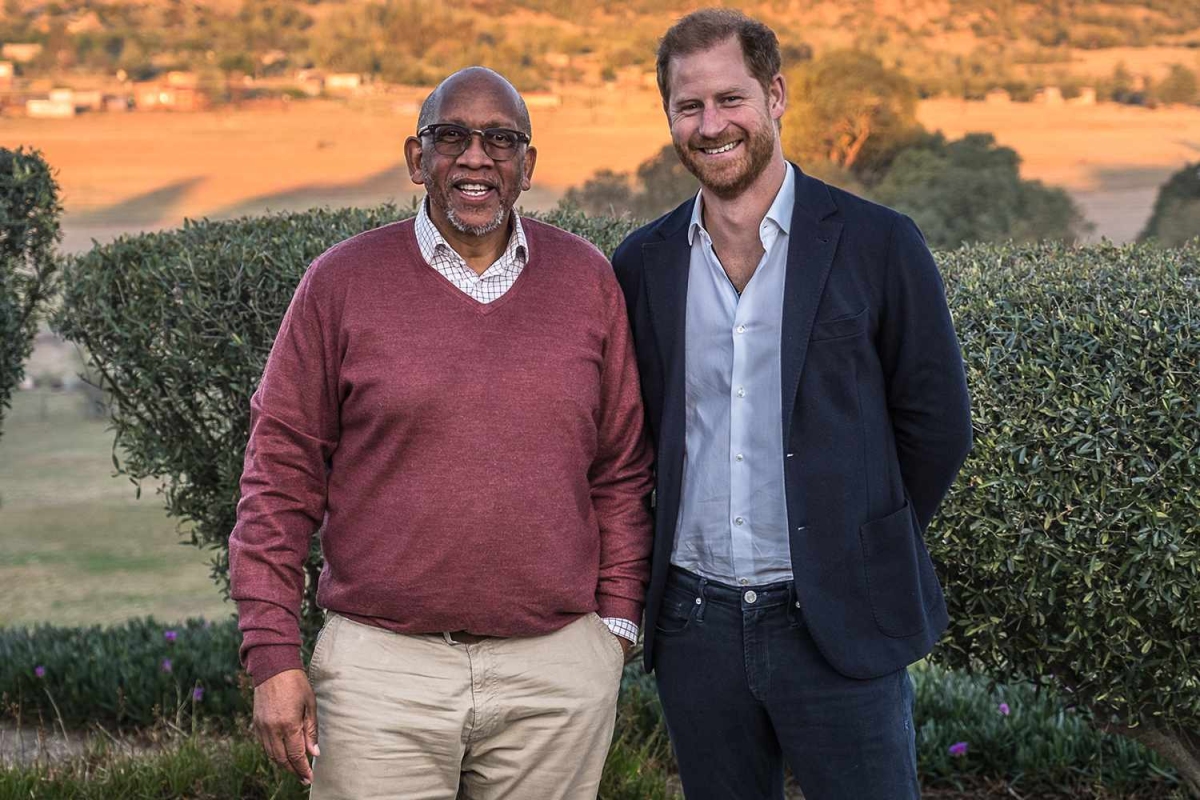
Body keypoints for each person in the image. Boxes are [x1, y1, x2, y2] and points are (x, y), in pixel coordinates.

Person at [229, 66, 653, 800]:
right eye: (450, 136)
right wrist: (273, 655)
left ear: (528, 164)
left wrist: (613, 628)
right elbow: (279, 476)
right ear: (415, 158)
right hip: (380, 673)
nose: (475, 157)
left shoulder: (586, 282)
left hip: (554, 674)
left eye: (500, 140)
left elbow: (621, 469)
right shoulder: (341, 283)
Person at [611, 9, 973, 800]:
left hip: (838, 621)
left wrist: (858, 543)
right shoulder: (642, 264)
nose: (711, 125)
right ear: (669, 116)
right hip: (695, 629)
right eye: (688, 106)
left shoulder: (880, 244)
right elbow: (632, 441)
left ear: (775, 96)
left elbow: (938, 425)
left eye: (730, 99)